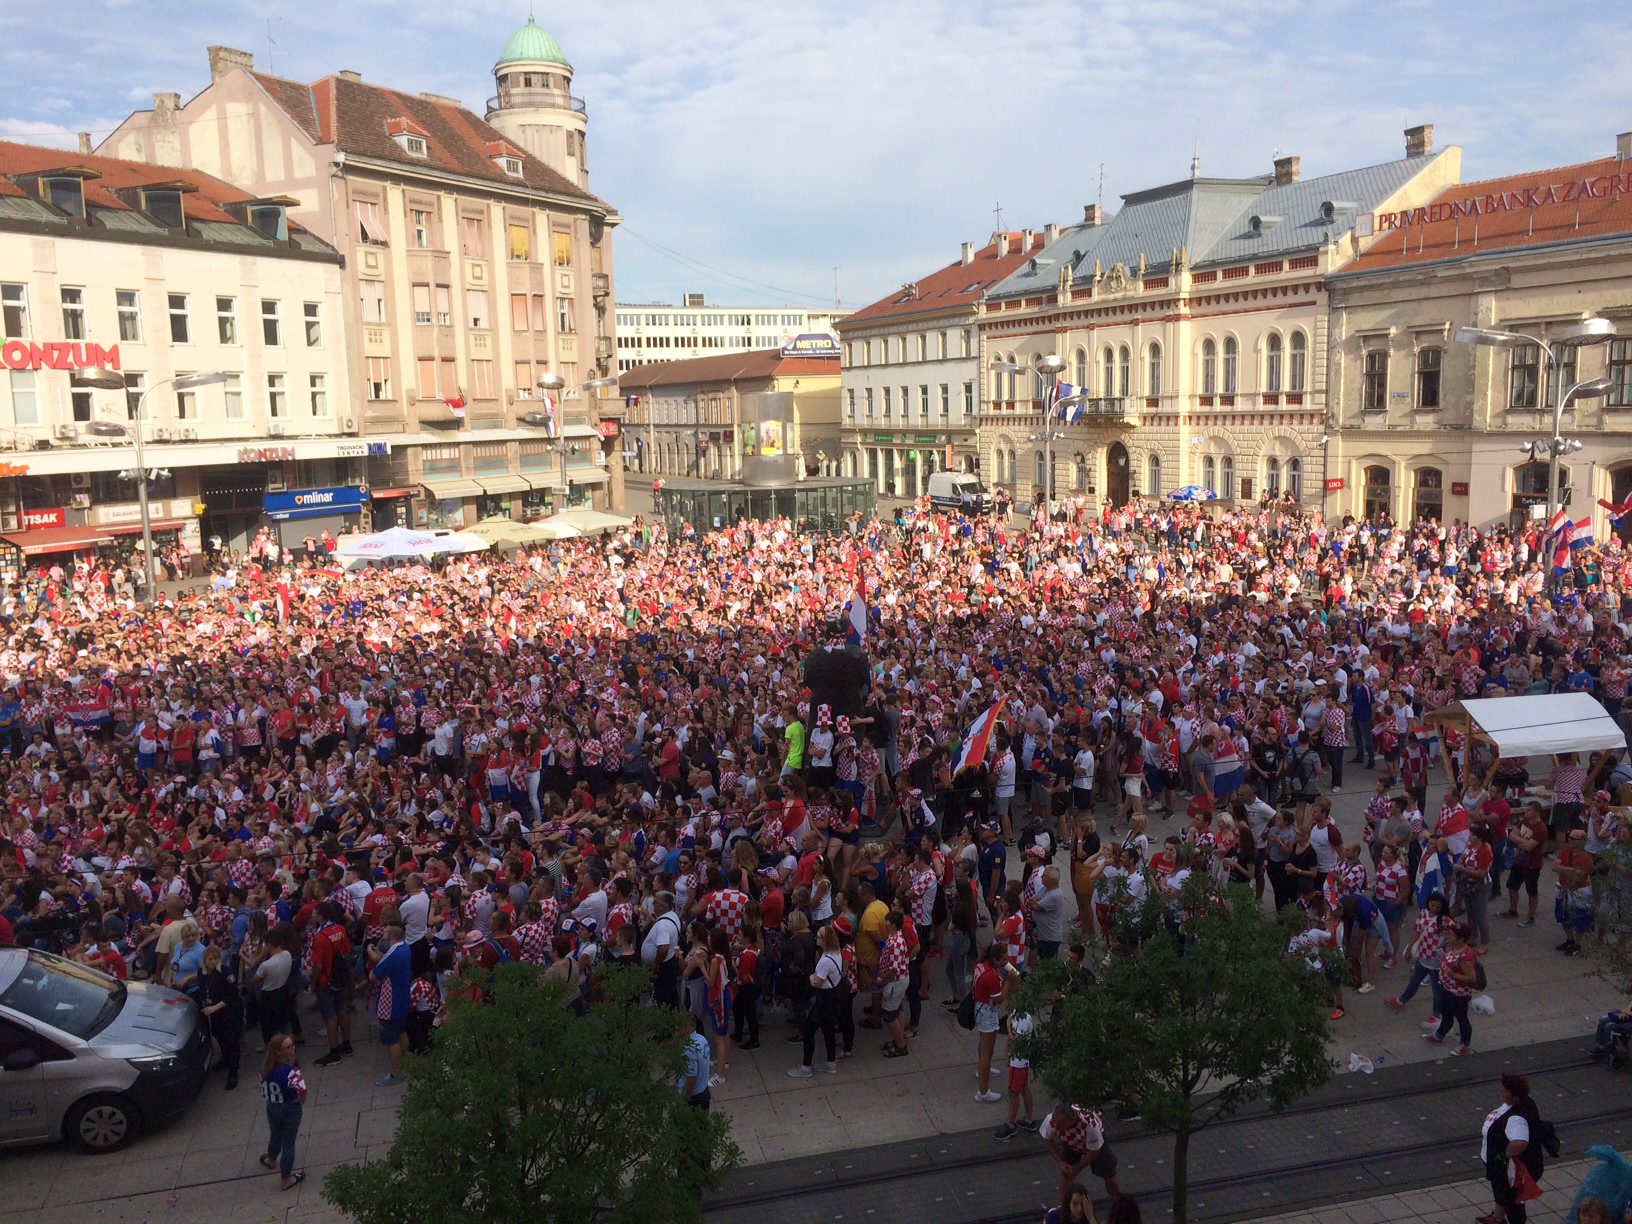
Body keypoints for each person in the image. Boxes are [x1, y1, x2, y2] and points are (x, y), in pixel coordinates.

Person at [1480, 1072, 1545, 1224]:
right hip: (1502, 1165)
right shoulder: (1520, 1103)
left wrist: (1503, 1156)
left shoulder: (1516, 1118)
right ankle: (1497, 1218)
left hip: (1509, 1170)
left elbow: (1519, 1143)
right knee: (1502, 1194)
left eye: (1504, 1090)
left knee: (1512, 1202)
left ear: (1514, 1096)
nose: (1500, 1092)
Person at [788, 924, 843, 1078]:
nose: (816, 938)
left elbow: (816, 982)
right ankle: (830, 1063)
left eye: (818, 936)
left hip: (824, 1000)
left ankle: (806, 1067)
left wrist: (811, 976)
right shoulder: (837, 953)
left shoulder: (826, 960)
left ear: (824, 940)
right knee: (828, 1031)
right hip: (833, 997)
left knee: (809, 1031)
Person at [1041, 1103, 1122, 1203]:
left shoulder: (1090, 1124)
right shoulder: (1052, 1120)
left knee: (1108, 1172)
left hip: (1095, 1143)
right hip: (1071, 1143)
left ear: (1071, 1120)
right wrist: (1060, 1161)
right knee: (1067, 1174)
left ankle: (1118, 1202)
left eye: (1061, 1125)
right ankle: (1065, 1205)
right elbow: (1047, 1139)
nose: (1056, 1127)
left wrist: (1079, 1167)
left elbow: (1094, 1150)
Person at [258, 1033, 307, 1191]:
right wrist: (300, 1100)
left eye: (292, 1045)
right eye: (289, 1047)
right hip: (289, 1108)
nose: (293, 1048)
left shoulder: (266, 1068)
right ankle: (286, 1179)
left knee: (275, 1133)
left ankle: (271, 1159)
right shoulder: (291, 1071)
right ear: (279, 1052)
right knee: (288, 1144)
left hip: (272, 1106)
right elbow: (303, 1090)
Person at [1425, 920, 1479, 1055]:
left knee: (1461, 1018)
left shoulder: (1465, 957)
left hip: (1459, 994)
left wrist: (1453, 975)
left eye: (1452, 935)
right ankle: (1439, 1035)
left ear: (1461, 939)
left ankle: (1465, 1045)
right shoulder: (1452, 946)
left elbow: (1472, 978)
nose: (1449, 937)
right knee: (1447, 1015)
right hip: (1446, 988)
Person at [197, 945, 243, 1090]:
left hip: (229, 1012)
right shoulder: (202, 973)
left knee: (231, 1040)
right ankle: (225, 1058)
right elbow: (203, 989)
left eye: (215, 958)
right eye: (210, 959)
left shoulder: (225, 973)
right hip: (214, 1013)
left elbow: (232, 995)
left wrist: (215, 1007)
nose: (213, 962)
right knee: (220, 1036)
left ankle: (233, 1070)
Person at [370, 922, 412, 1087]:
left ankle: (396, 1073)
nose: (383, 933)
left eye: (385, 931)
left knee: (391, 1037)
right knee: (401, 1031)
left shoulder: (393, 954)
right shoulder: (404, 948)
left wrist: (370, 951)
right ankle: (406, 1063)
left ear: (391, 936)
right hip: (402, 996)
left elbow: (374, 975)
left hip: (390, 1000)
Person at [973, 942, 1013, 1103]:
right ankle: (983, 1092)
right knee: (987, 1052)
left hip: (981, 1009)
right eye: (1003, 959)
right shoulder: (990, 976)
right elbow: (999, 998)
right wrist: (1008, 983)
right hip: (987, 1012)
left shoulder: (982, 966)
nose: (1006, 961)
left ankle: (983, 1071)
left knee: (983, 1045)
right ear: (995, 960)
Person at [993, 1009, 1040, 1141]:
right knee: (1024, 1088)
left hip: (1020, 1061)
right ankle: (1029, 1120)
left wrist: (1008, 1025)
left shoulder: (1024, 1020)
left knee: (1013, 1092)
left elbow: (1016, 1040)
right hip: (1016, 1060)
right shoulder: (1015, 1013)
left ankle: (1011, 1125)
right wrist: (1007, 1054)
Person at [679, 1016, 712, 1111]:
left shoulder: (688, 1049)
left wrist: (683, 1098)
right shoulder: (702, 1039)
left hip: (695, 1098)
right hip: (704, 1090)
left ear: (687, 1027)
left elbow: (692, 1079)